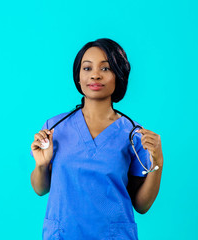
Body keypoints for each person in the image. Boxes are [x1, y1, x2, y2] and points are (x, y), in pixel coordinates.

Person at [30, 38, 163, 240]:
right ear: (78, 76)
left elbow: (142, 205)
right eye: (87, 68)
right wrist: (41, 165)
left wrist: (158, 162)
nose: (95, 75)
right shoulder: (54, 128)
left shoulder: (133, 134)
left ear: (118, 75)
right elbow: (40, 189)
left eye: (105, 69)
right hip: (64, 234)